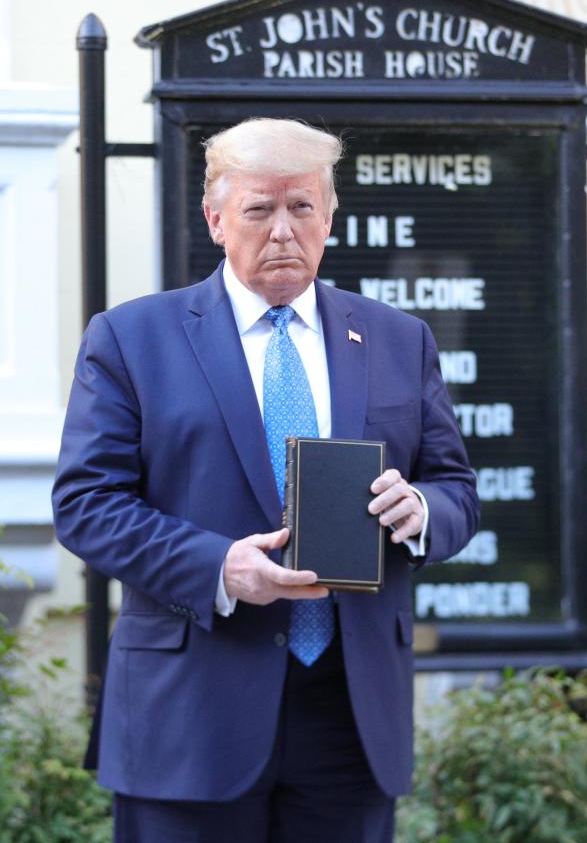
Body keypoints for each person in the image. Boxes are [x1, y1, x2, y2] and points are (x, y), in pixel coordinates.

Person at [52, 117, 480, 843]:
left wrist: (421, 510)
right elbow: (86, 508)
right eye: (260, 209)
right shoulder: (132, 339)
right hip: (191, 713)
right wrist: (218, 567)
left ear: (330, 217)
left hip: (351, 713)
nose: (283, 230)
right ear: (217, 219)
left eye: (302, 207)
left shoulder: (398, 339)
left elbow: (456, 489)